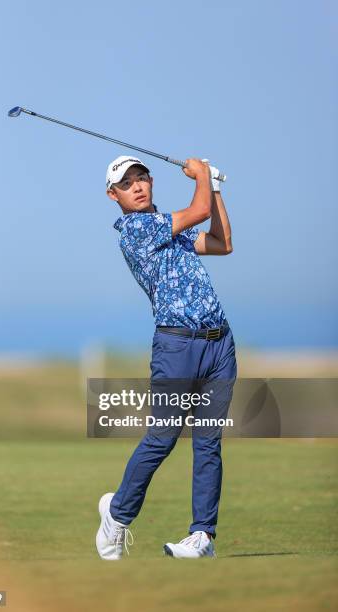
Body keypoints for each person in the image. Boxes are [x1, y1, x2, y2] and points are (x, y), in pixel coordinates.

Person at [95, 155, 237, 560]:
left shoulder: (171, 231)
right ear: (113, 195)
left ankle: (202, 537)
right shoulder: (137, 229)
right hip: (177, 348)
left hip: (219, 344)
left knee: (208, 442)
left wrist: (216, 187)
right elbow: (199, 209)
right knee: (163, 437)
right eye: (127, 184)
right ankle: (117, 516)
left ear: (151, 182)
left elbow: (222, 242)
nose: (137, 187)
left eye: (142, 178)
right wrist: (203, 178)